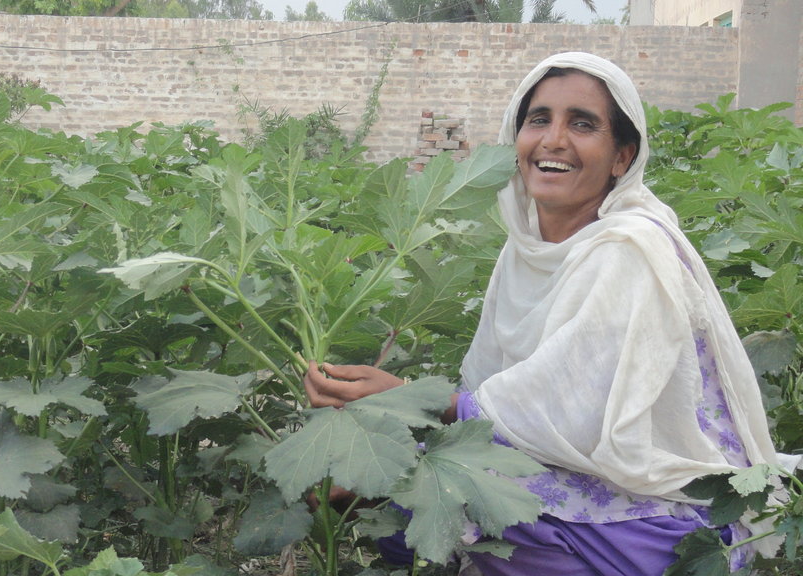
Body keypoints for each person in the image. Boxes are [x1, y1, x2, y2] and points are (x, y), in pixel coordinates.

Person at [304, 52, 799, 575]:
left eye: (582, 124)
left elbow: (573, 416)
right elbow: (508, 405)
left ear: (622, 157)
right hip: (562, 465)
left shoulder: (630, 249)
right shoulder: (525, 250)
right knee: (391, 493)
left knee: (445, 504)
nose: (554, 140)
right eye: (539, 119)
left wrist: (411, 399)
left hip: (657, 503)